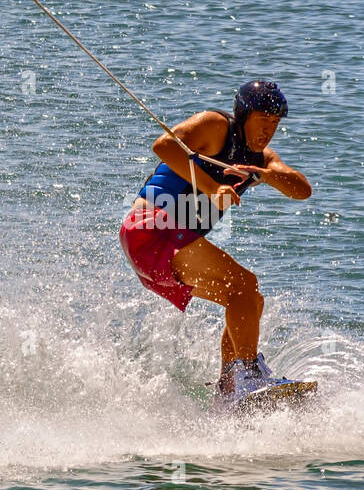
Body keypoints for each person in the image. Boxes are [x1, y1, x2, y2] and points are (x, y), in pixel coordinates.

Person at [119, 81, 313, 405]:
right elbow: (164, 145)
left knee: (248, 301)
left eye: (274, 125)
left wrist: (265, 175)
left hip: (164, 246)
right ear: (244, 116)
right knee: (243, 284)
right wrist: (211, 187)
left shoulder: (262, 159)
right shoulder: (216, 126)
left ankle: (229, 391)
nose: (268, 132)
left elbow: (301, 189)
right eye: (262, 122)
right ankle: (249, 376)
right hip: (151, 228)